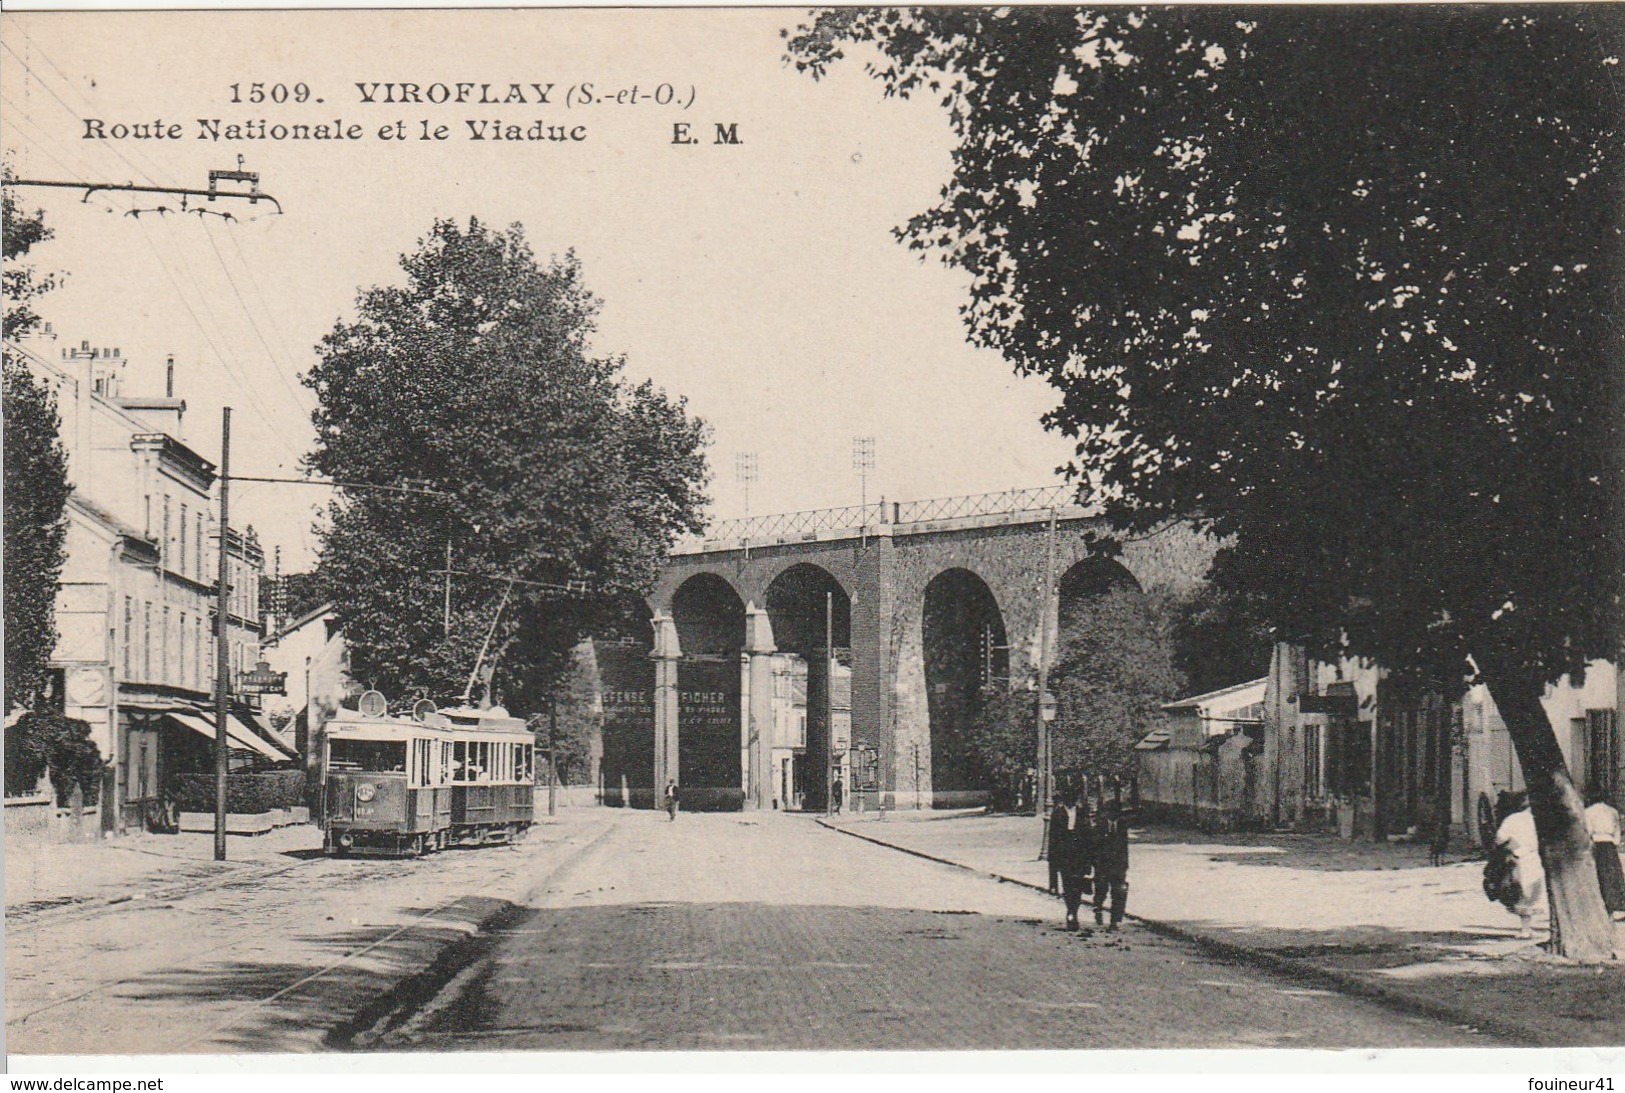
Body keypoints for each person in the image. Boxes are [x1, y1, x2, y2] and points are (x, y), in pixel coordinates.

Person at [1488, 799, 1545, 939]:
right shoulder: (1539, 820)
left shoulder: (1512, 819)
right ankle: (1528, 928)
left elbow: (1500, 838)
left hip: (1516, 857)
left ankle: (1525, 928)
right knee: (1532, 892)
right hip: (1534, 858)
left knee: (1520, 890)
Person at [1052, 790, 1095, 931]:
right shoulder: (1057, 814)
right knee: (1067, 885)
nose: (1071, 802)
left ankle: (1073, 912)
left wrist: (1090, 860)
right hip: (1064, 856)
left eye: (1074, 798)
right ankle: (1070, 911)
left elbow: (1089, 836)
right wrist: (1053, 861)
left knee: (1078, 886)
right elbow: (1053, 839)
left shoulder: (1082, 813)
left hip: (1080, 855)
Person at [1585, 790, 1625, 918]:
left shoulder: (1589, 812)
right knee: (1613, 874)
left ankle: (1608, 907)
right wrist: (1616, 842)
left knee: (1601, 874)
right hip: (1610, 843)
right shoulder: (1612, 811)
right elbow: (1617, 829)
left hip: (1598, 843)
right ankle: (1618, 906)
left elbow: (1588, 830)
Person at [1093, 798, 1131, 930]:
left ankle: (1115, 921)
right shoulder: (1099, 825)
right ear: (1107, 812)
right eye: (1111, 812)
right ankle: (1097, 908)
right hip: (1102, 866)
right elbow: (1094, 846)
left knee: (1119, 893)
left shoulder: (1122, 825)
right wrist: (1096, 863)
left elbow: (1124, 846)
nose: (1114, 815)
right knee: (1101, 891)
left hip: (1118, 866)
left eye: (1117, 813)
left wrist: (1125, 864)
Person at [1046, 793, 1070, 894]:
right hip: (1058, 845)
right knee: (1057, 868)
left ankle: (1054, 887)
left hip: (1059, 845)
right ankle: (1055, 887)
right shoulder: (1059, 812)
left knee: (1056, 868)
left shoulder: (1058, 812)